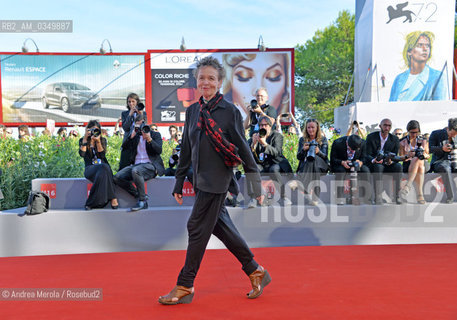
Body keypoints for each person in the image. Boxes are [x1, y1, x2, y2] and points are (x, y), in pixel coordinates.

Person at [159, 56, 270, 305]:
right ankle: (255, 270)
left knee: (196, 228)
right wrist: (179, 182)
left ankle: (185, 285)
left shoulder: (229, 111)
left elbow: (243, 149)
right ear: (197, 82)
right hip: (199, 181)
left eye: (211, 78)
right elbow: (186, 148)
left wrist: (254, 183)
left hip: (218, 180)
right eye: (201, 78)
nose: (205, 82)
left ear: (220, 83)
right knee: (220, 226)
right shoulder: (193, 111)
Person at [114, 114, 164, 211]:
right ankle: (140, 195)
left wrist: (149, 139)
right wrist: (130, 137)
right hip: (136, 165)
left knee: (136, 171)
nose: (140, 128)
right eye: (137, 126)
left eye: (141, 125)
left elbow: (159, 151)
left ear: (146, 124)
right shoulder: (135, 136)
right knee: (117, 177)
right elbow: (124, 148)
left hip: (150, 166)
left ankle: (142, 202)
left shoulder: (155, 134)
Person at [222, 53, 290, 118]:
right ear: (230, 84)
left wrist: (260, 112)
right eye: (244, 76)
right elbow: (246, 126)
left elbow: (270, 122)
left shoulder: (271, 110)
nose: (257, 89)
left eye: (273, 76)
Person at [247, 116, 293, 207]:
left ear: (270, 126)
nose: (263, 127)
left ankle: (284, 197)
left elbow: (277, 152)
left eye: (265, 125)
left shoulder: (277, 136)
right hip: (262, 164)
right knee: (251, 169)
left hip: (275, 162)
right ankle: (253, 198)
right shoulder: (255, 136)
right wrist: (253, 144)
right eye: (261, 125)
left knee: (274, 170)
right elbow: (249, 158)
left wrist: (265, 144)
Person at [389, 31, 447, 101]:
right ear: (409, 51)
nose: (425, 49)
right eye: (419, 45)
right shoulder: (399, 79)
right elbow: (391, 106)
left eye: (427, 46)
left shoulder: (437, 77)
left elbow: (440, 107)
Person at [79, 120, 118, 210]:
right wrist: (85, 138)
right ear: (88, 130)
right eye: (92, 130)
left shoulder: (102, 140)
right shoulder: (83, 140)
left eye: (96, 130)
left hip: (102, 169)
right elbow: (82, 154)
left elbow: (102, 156)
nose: (94, 132)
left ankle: (90, 203)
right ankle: (113, 197)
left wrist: (98, 142)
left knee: (104, 168)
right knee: (106, 168)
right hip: (90, 169)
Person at [364, 118, 403, 205]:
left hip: (388, 163)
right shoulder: (371, 137)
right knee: (378, 167)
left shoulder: (395, 139)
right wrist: (374, 160)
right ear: (380, 126)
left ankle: (397, 196)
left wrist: (390, 161)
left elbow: (394, 155)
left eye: (389, 126)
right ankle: (378, 197)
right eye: (385, 125)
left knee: (399, 166)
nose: (387, 128)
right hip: (374, 163)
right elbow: (367, 154)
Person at [296, 119, 329, 205]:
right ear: (306, 128)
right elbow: (299, 157)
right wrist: (303, 150)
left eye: (313, 127)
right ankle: (315, 198)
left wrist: (319, 152)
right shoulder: (302, 140)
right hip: (311, 167)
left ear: (317, 128)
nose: (310, 130)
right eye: (308, 127)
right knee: (312, 161)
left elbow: (325, 157)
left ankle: (304, 188)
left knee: (314, 160)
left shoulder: (323, 139)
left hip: (322, 166)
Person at [330, 134, 370, 205]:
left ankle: (366, 197)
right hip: (341, 164)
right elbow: (332, 159)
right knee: (340, 171)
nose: (353, 151)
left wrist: (361, 162)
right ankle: (339, 197)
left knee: (366, 170)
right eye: (352, 149)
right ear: (347, 143)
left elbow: (365, 157)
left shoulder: (363, 143)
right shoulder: (338, 143)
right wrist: (342, 162)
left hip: (356, 164)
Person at [398, 120, 430, 204]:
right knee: (419, 164)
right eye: (412, 132)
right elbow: (401, 157)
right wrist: (408, 155)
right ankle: (420, 195)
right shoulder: (402, 141)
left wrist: (423, 154)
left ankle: (408, 186)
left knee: (418, 159)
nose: (414, 135)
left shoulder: (423, 140)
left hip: (423, 162)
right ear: (408, 131)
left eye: (416, 132)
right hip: (408, 163)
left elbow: (427, 154)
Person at [429, 118, 457, 203]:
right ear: (449, 129)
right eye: (453, 134)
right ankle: (451, 196)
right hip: (439, 161)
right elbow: (430, 149)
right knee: (446, 168)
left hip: (454, 160)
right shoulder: (436, 134)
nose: (454, 136)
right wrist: (442, 148)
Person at [119, 93, 147, 171]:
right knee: (123, 167)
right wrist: (130, 115)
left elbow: (144, 128)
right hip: (128, 142)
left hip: (139, 142)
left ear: (137, 102)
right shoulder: (125, 114)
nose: (131, 104)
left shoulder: (143, 113)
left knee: (136, 168)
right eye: (129, 102)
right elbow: (125, 128)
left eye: (133, 101)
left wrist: (141, 115)